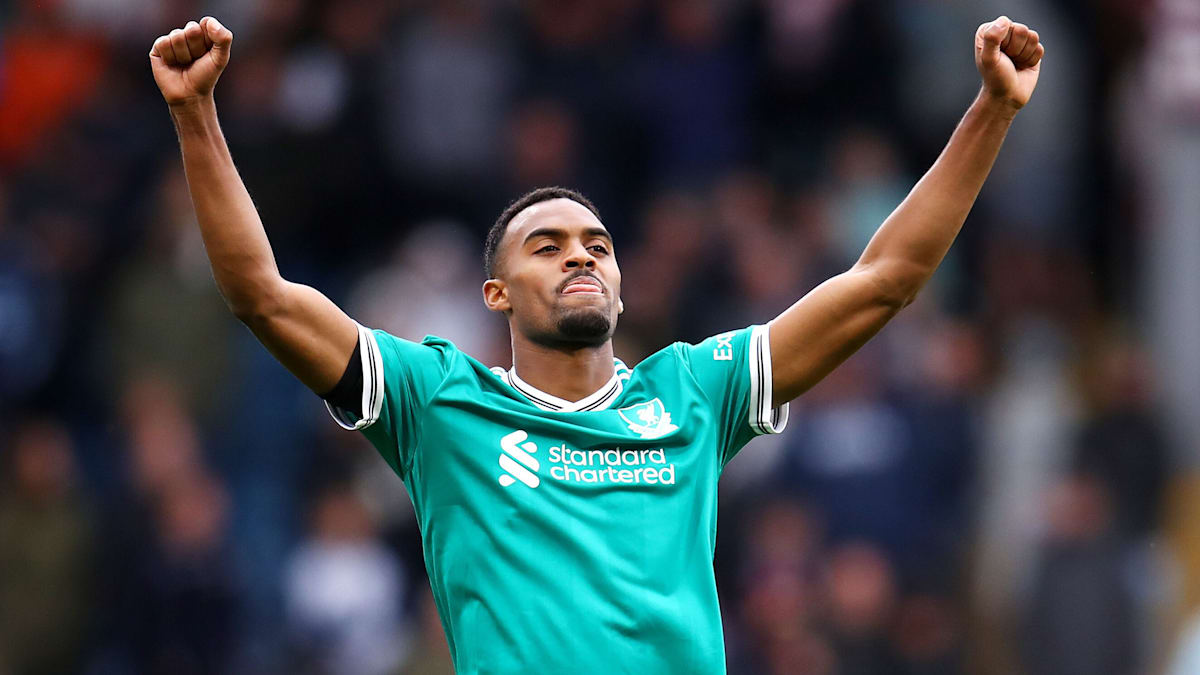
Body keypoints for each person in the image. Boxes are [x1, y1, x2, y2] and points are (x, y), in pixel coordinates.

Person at [149, 15, 1044, 674]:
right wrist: (196, 117)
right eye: (547, 245)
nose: (581, 254)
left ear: (620, 283)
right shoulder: (439, 402)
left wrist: (993, 110)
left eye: (598, 245)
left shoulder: (693, 390)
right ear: (496, 293)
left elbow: (885, 279)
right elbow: (262, 296)